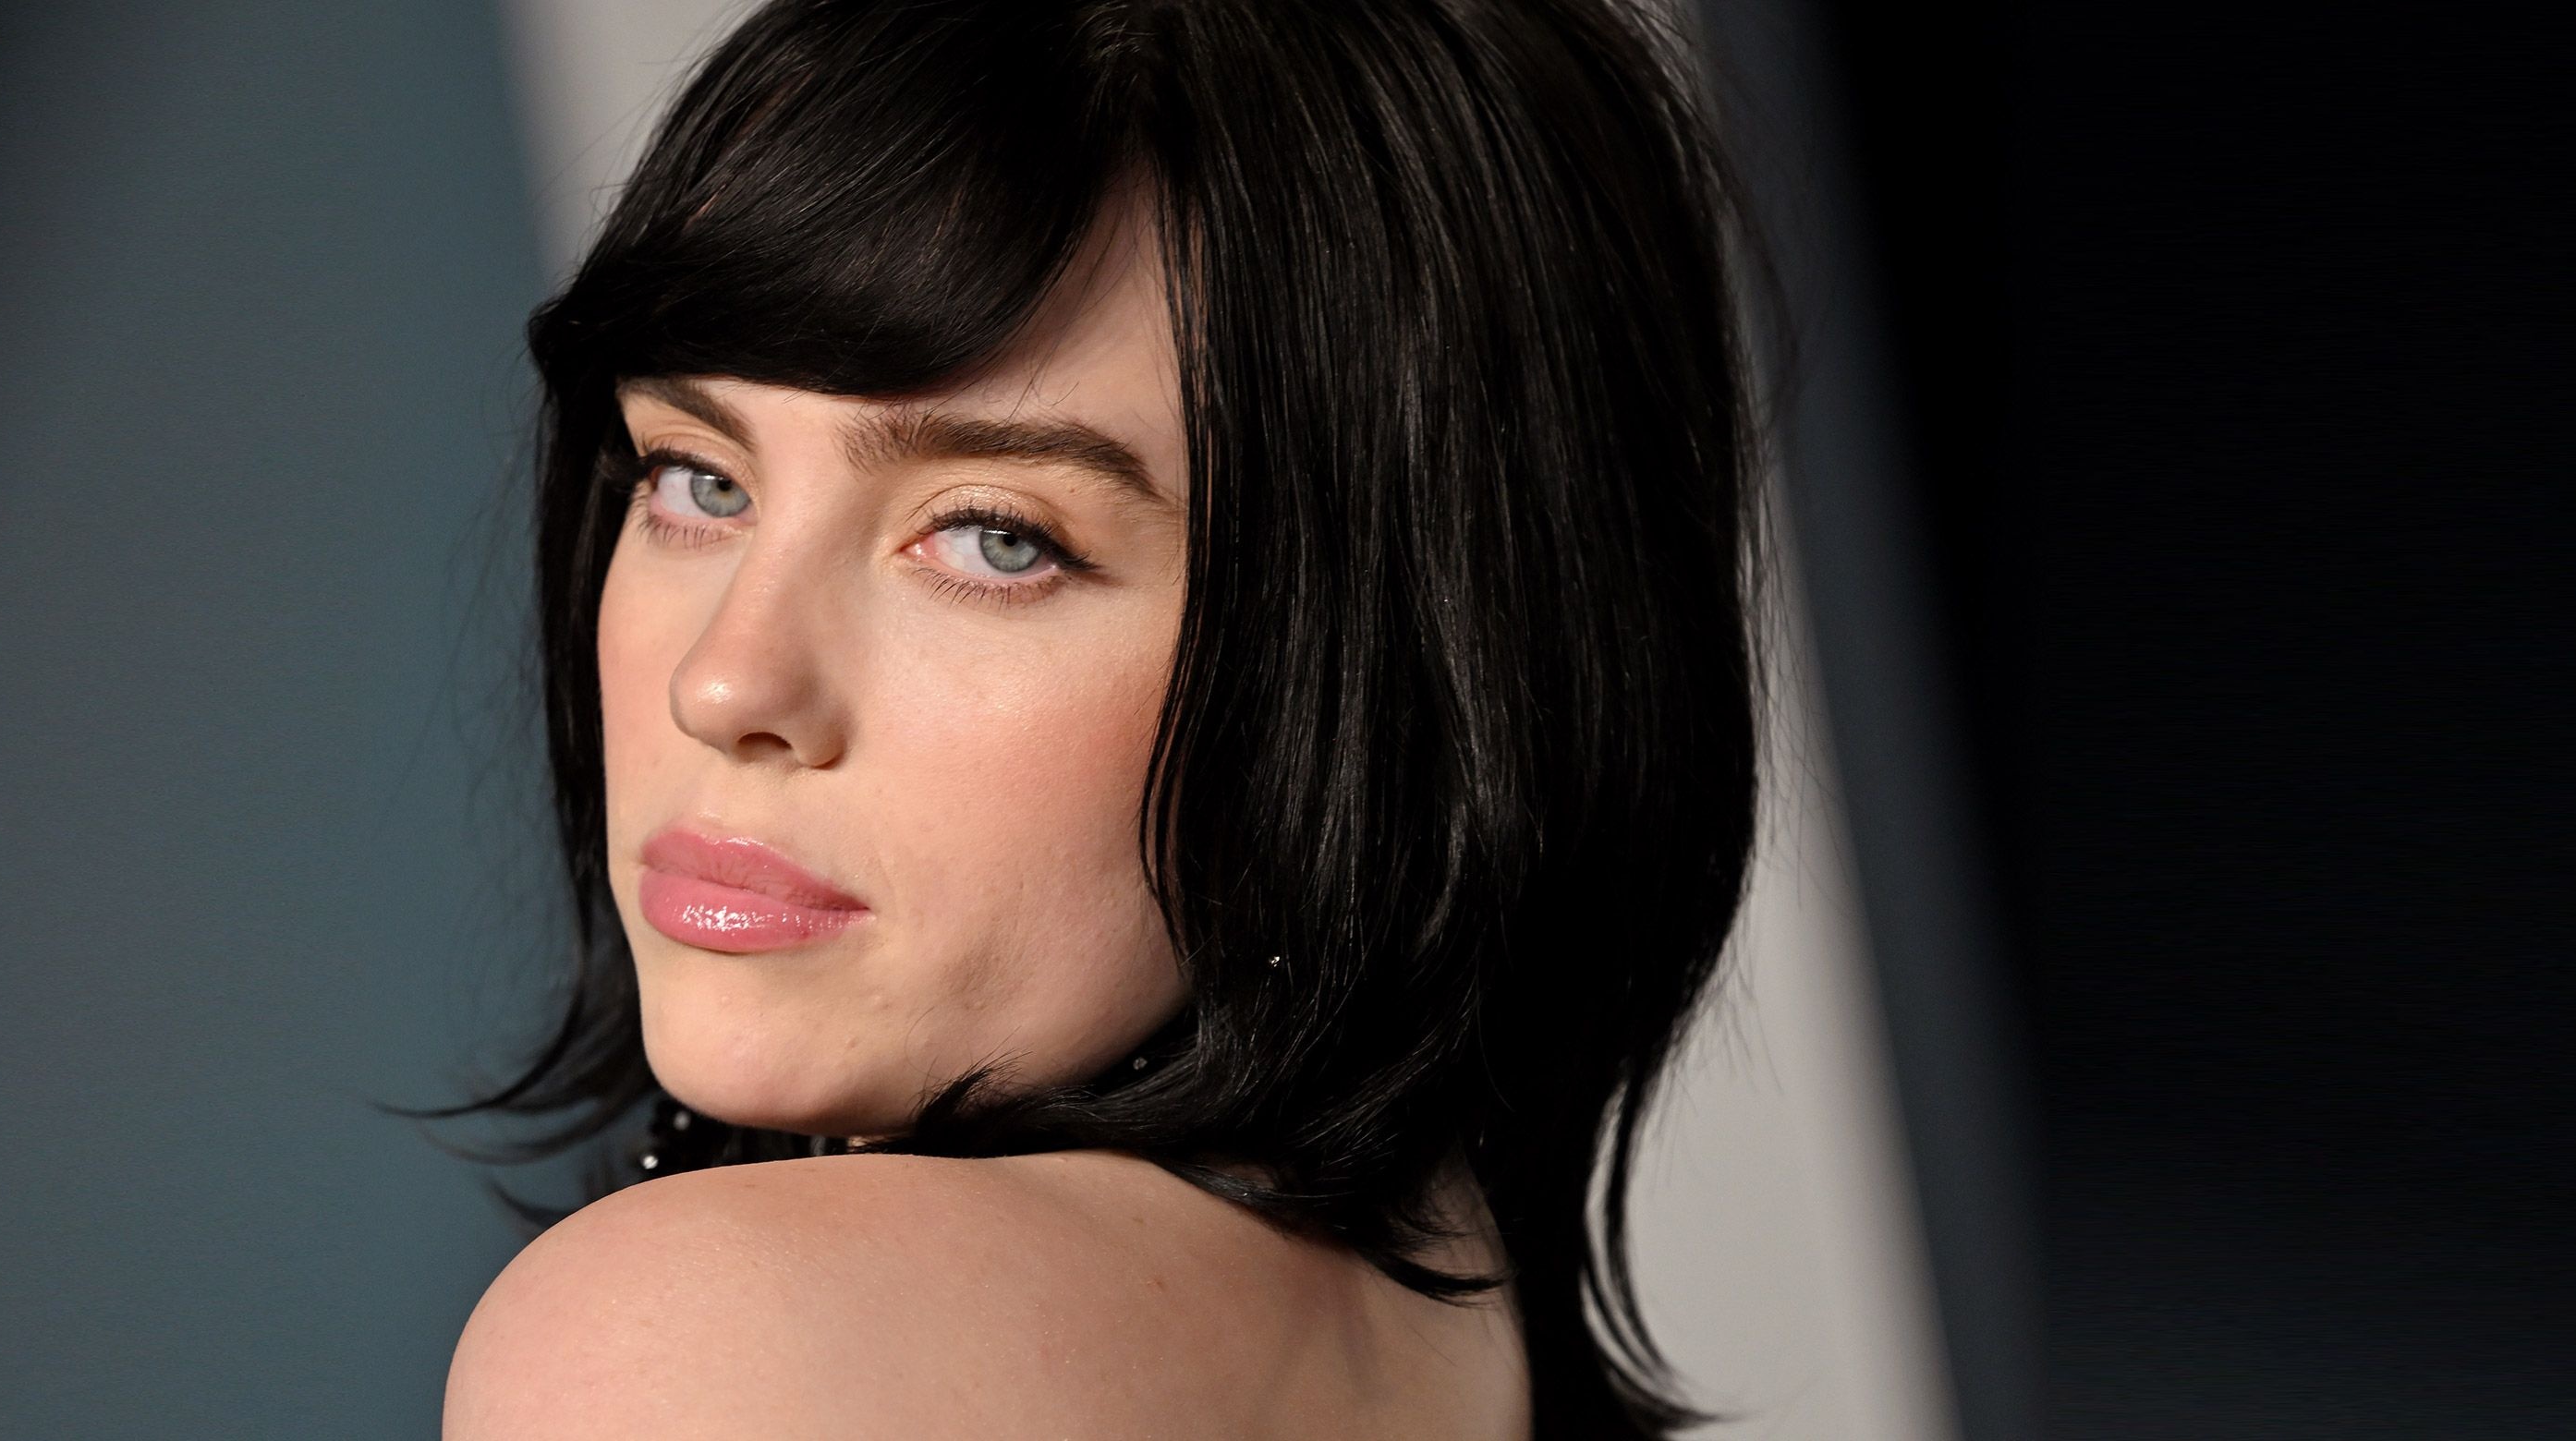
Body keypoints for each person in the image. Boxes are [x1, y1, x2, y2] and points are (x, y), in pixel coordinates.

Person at [442, 1, 1761, 1435]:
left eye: (996, 538)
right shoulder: (1425, 1319)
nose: (725, 684)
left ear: (1418, 672)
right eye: (699, 480)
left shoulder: (708, 1342)